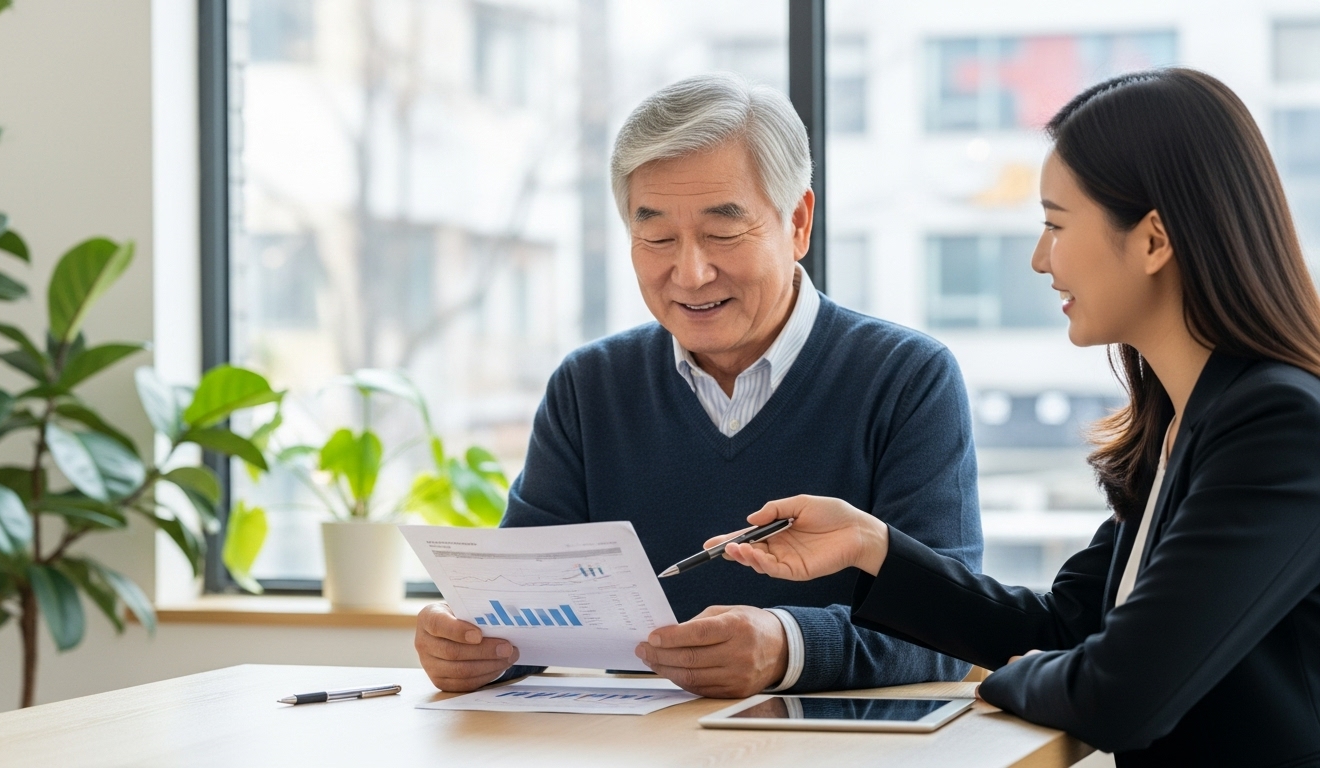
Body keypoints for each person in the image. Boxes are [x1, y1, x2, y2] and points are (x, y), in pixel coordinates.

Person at [707, 68, 1320, 766]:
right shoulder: (1184, 424)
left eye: (1056, 224)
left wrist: (1009, 680)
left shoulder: (1277, 426)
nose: (1039, 259)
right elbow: (1066, 628)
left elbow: (1119, 693)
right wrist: (871, 543)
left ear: (1154, 240)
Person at [412, 73, 983, 698]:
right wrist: (474, 645)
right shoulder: (590, 386)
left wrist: (786, 647)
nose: (689, 273)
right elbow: (526, 611)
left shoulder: (907, 378)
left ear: (797, 222)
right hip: (636, 741)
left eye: (722, 232)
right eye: (657, 236)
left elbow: (951, 627)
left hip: (833, 742)